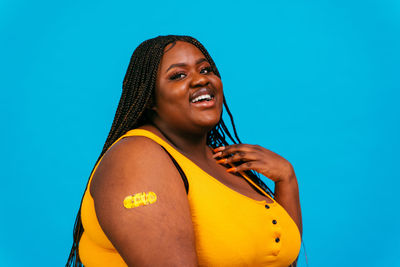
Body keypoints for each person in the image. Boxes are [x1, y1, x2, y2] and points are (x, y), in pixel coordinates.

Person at [66, 35, 302, 267]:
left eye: (206, 70)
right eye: (178, 75)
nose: (201, 80)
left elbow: (282, 260)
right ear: (149, 99)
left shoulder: (224, 162)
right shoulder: (137, 158)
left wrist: (286, 179)